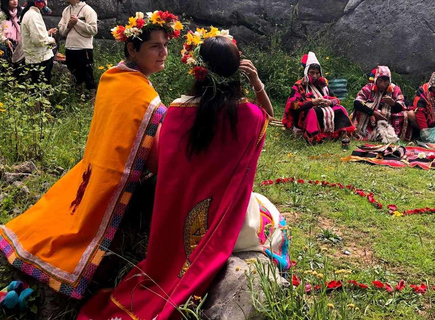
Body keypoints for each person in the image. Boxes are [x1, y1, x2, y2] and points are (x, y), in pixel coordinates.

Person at [77, 27, 275, 320]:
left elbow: (161, 165)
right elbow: (268, 115)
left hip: (175, 225)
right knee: (271, 216)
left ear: (198, 70)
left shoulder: (176, 113)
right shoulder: (249, 116)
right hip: (230, 224)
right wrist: (256, 84)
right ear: (236, 72)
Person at [0, 10, 182, 310]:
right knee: (72, 232)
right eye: (154, 46)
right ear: (132, 48)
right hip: (108, 177)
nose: (163, 52)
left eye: (166, 45)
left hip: (94, 171)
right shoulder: (135, 91)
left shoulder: (116, 76)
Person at [283, 52, 355, 144]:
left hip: (323, 108)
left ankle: (343, 133)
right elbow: (294, 106)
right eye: (312, 72)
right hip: (303, 114)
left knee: (340, 108)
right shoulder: (298, 86)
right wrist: (312, 102)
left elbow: (336, 99)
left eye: (317, 73)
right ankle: (314, 137)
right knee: (313, 111)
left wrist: (329, 102)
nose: (314, 76)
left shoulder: (323, 85)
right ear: (306, 72)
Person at [352, 65, 409, 142]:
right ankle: (366, 133)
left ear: (389, 81)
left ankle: (391, 134)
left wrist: (393, 103)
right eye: (380, 80)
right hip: (371, 114)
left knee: (404, 115)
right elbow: (357, 102)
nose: (382, 84)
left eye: (385, 81)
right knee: (360, 111)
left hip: (388, 117)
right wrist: (373, 112)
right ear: (376, 80)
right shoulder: (369, 88)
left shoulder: (395, 89)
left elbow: (401, 106)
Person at [58, 0, 98, 101]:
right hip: (70, 47)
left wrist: (78, 22)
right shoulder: (66, 10)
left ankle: (93, 100)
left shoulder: (88, 10)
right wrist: (69, 25)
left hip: (84, 48)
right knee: (75, 75)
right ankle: (79, 99)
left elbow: (94, 30)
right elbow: (61, 30)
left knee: (88, 74)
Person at [19, 0, 57, 84]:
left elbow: (35, 35)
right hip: (39, 58)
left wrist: (47, 33)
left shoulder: (32, 13)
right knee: (41, 88)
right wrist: (51, 40)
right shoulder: (33, 15)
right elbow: (39, 40)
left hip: (38, 57)